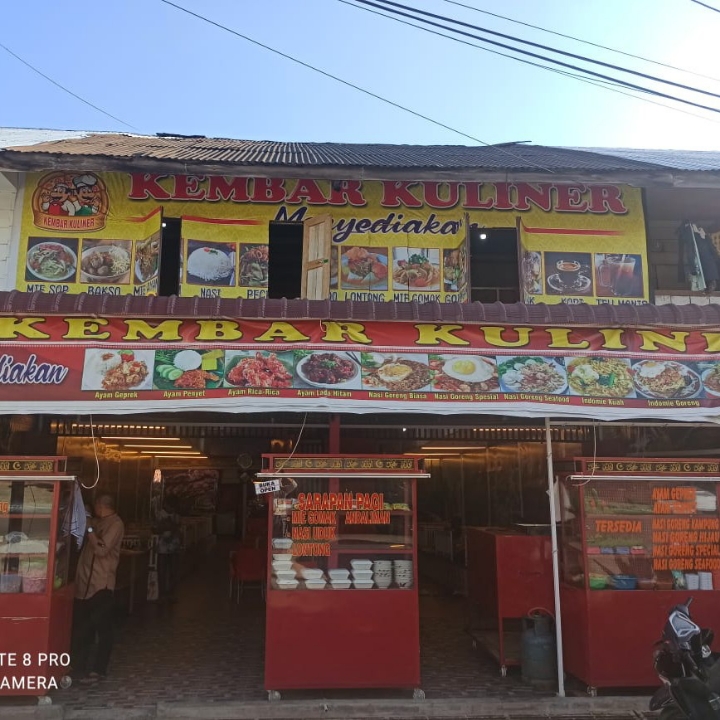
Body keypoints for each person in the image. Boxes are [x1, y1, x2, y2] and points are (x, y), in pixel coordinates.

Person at [71, 494, 124, 683]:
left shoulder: (115, 524)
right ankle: (78, 666)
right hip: (84, 585)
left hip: (101, 584)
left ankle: (99, 669)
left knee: (103, 629)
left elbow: (102, 550)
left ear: (101, 505)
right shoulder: (97, 520)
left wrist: (90, 528)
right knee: (83, 628)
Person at [155, 500, 181, 602]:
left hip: (172, 547)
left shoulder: (175, 515)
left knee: (172, 571)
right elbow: (157, 528)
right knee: (163, 571)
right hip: (164, 547)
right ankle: (163, 593)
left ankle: (169, 593)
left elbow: (177, 527)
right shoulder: (159, 514)